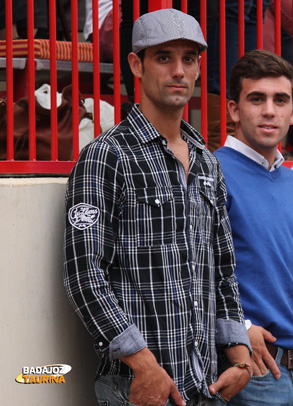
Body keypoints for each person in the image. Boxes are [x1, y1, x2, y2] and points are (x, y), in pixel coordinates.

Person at [64, 9, 252, 406]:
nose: (178, 71)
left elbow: (223, 267)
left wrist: (239, 355)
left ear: (200, 67)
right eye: (164, 57)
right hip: (139, 388)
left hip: (205, 384)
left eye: (189, 58)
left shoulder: (206, 160)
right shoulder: (106, 155)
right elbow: (84, 274)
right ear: (137, 64)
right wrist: (143, 364)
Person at [214, 49, 293, 406]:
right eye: (256, 99)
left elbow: (292, 274)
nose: (270, 110)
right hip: (249, 372)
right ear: (234, 109)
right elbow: (192, 271)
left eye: (281, 100)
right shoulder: (210, 172)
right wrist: (241, 329)